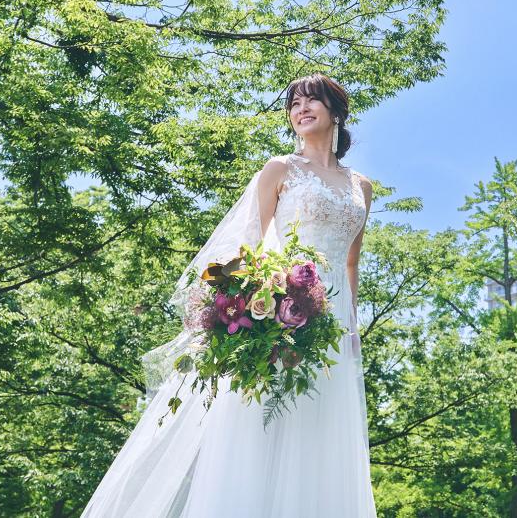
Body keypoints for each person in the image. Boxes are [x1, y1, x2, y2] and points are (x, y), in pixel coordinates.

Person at [80, 73, 377, 518]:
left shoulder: (362, 187)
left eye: (311, 100)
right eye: (293, 104)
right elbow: (251, 244)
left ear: (336, 110)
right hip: (285, 304)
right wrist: (247, 301)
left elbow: (350, 262)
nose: (300, 109)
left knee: (323, 431)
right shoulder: (279, 170)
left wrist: (352, 326)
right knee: (263, 424)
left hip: (336, 323)